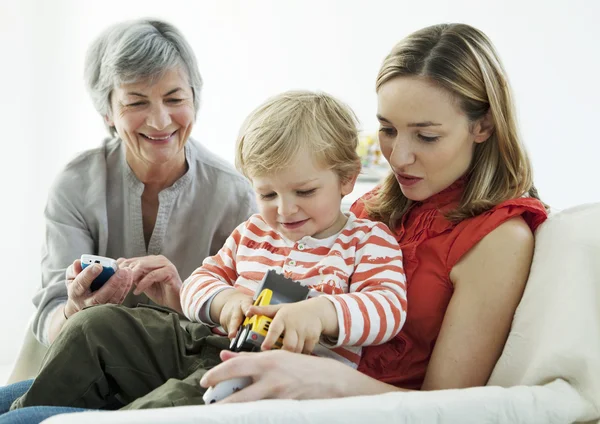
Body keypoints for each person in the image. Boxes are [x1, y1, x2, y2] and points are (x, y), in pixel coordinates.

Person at [197, 22, 549, 403]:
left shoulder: (499, 239)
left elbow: (448, 405)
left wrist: (326, 382)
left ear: (483, 125)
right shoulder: (373, 208)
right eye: (387, 129)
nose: (396, 158)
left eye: (426, 136)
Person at [10, 90, 408, 411]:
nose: (285, 210)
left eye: (304, 192)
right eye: (267, 193)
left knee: (170, 405)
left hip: (281, 375)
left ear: (347, 179)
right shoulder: (254, 230)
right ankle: (28, 411)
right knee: (95, 326)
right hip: (206, 342)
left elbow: (389, 308)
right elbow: (200, 281)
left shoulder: (366, 241)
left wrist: (322, 313)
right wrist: (225, 300)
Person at [0, 17, 256, 422]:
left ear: (195, 98)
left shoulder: (235, 194)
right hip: (81, 360)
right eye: (137, 102)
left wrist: (184, 298)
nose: (160, 121)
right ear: (108, 113)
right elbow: (50, 309)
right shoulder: (76, 185)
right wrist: (73, 310)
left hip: (176, 376)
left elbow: (245, 324)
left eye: (174, 98)